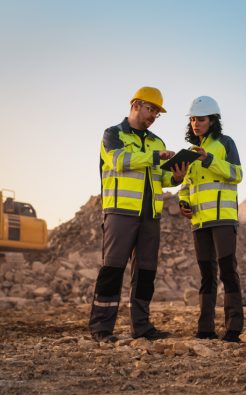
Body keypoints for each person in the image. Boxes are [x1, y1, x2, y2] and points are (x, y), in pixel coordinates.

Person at [89, 86, 187, 342]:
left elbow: (162, 177)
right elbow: (119, 161)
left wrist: (176, 177)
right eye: (151, 109)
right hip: (120, 212)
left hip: (150, 216)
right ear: (136, 105)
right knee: (112, 269)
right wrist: (155, 157)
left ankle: (142, 328)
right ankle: (101, 329)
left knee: (145, 272)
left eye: (157, 112)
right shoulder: (113, 134)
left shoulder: (157, 141)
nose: (154, 115)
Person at [178, 96, 244, 342]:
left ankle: (234, 328)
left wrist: (209, 160)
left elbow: (237, 174)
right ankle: (205, 328)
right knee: (207, 275)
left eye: (201, 119)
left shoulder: (226, 143)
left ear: (213, 121)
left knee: (228, 271)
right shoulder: (190, 152)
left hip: (223, 220)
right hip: (199, 222)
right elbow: (186, 185)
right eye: (193, 119)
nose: (196, 123)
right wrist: (183, 202)